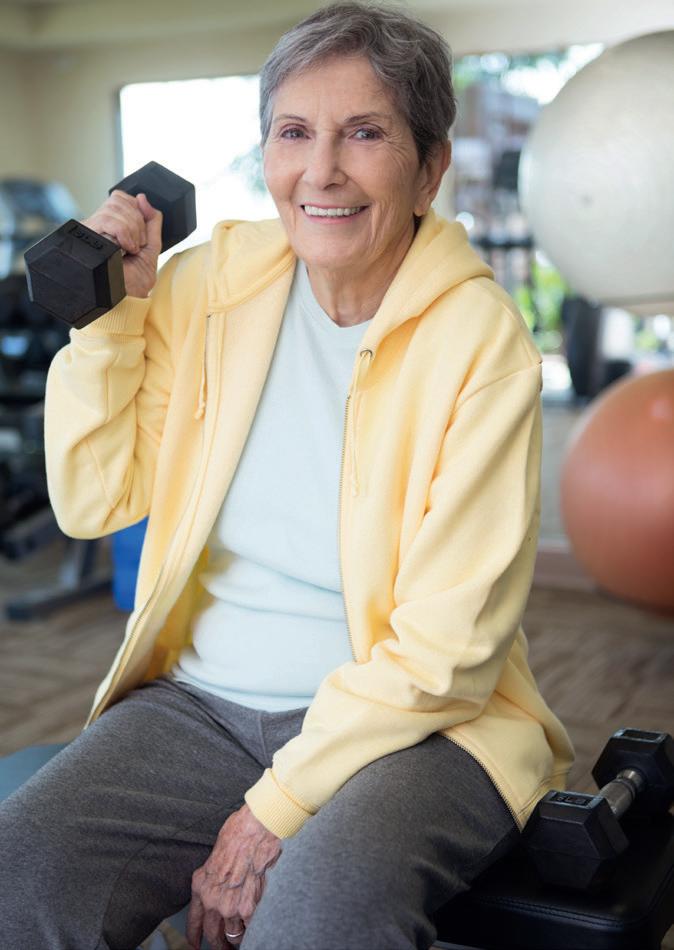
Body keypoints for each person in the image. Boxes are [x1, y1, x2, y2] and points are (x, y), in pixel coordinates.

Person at [0, 3, 574, 949]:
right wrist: (110, 318)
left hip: (420, 729)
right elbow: (97, 500)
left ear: (429, 168)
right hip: (201, 703)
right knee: (18, 872)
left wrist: (269, 812)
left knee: (314, 920)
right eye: (294, 132)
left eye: (366, 134)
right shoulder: (207, 287)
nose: (322, 171)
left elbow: (447, 651)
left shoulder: (481, 342)